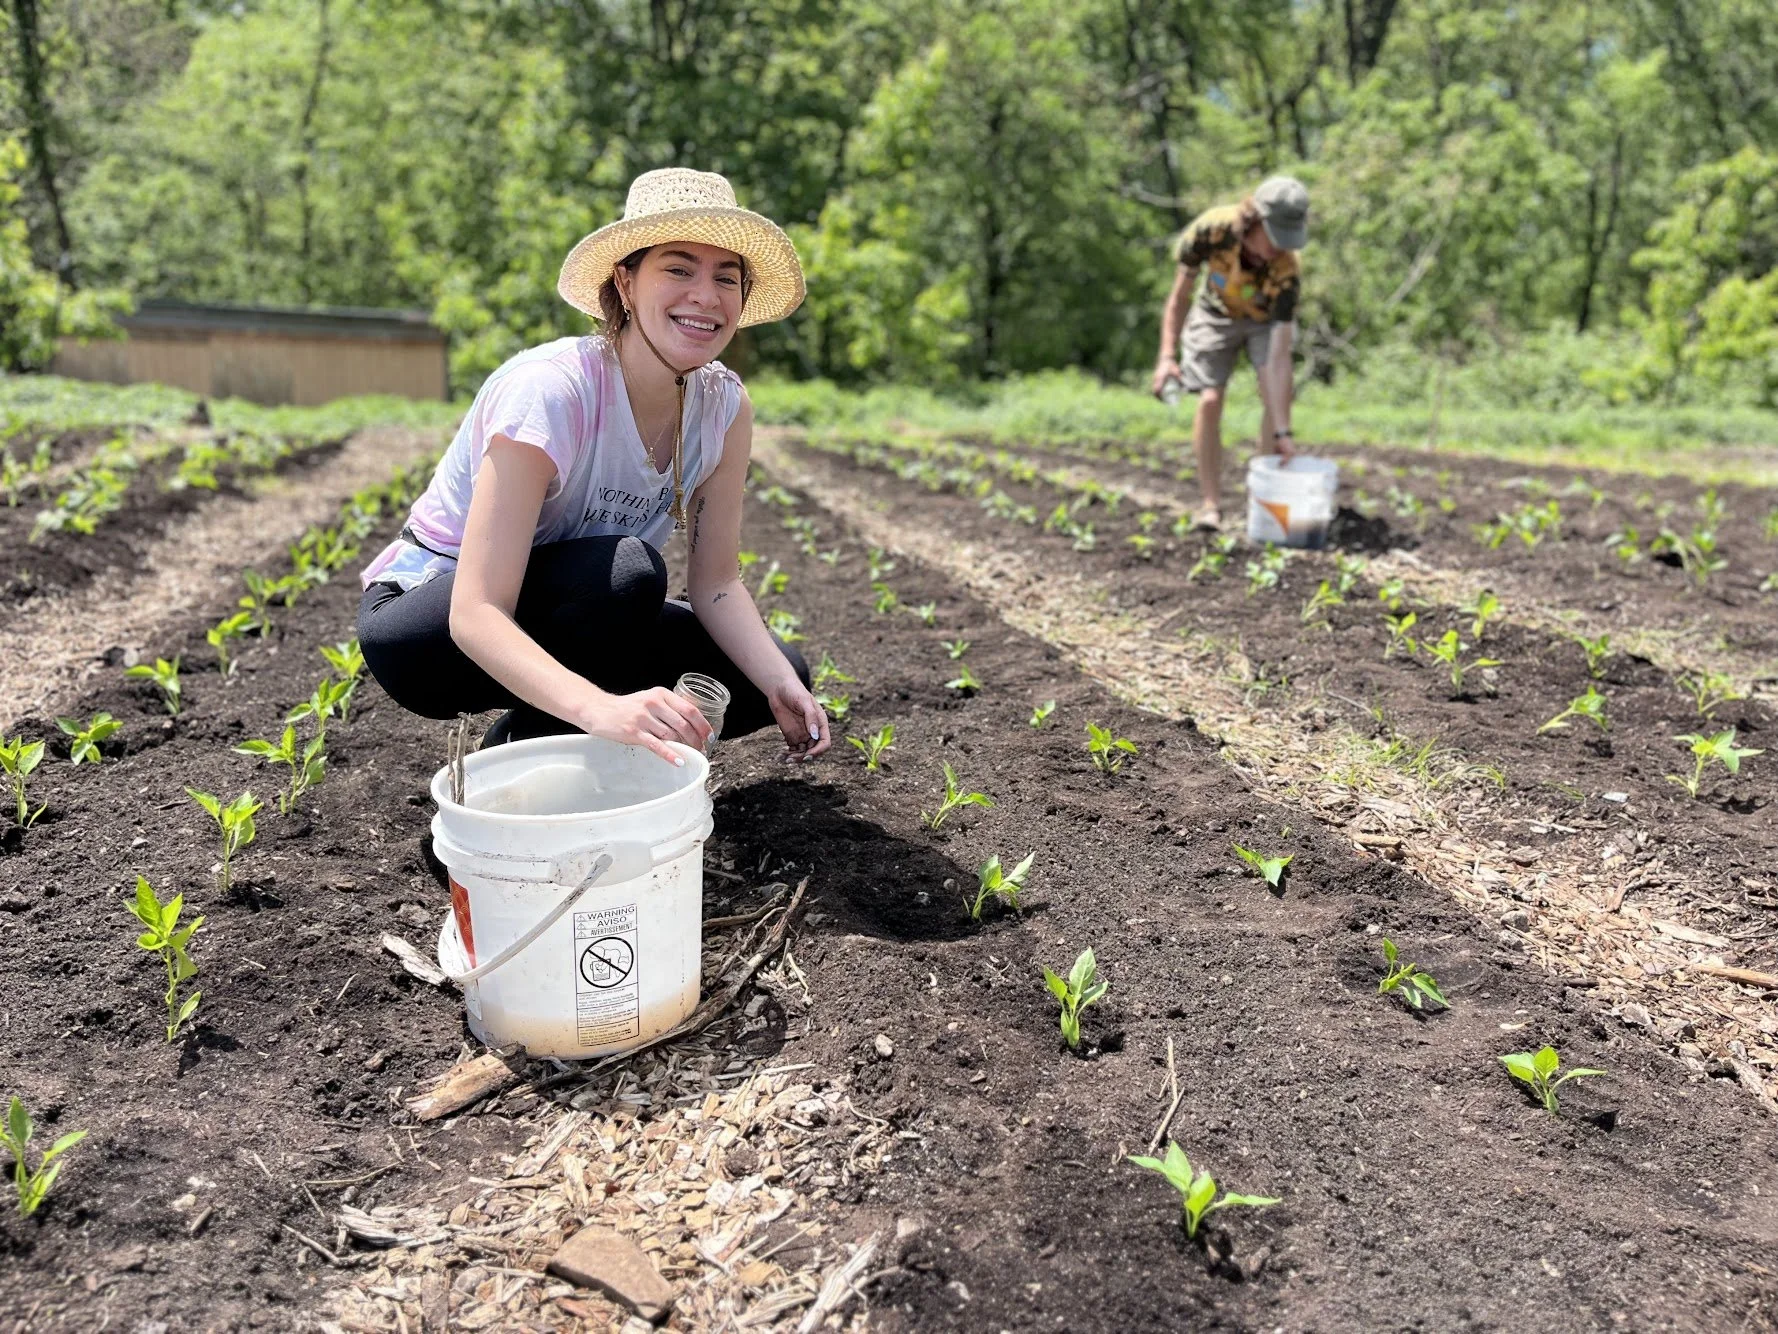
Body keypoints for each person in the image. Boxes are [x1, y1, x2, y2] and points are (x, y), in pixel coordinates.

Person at [356, 168, 830, 767]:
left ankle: (563, 754)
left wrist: (779, 683)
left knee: (771, 676)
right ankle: (511, 779)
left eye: (726, 278)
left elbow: (716, 583)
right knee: (628, 572)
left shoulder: (724, 408)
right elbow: (475, 612)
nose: (706, 296)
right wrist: (599, 708)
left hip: (582, 610)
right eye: (679, 269)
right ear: (626, 282)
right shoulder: (553, 391)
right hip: (429, 627)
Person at [1150, 176, 1309, 530]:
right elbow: (1179, 298)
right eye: (1274, 234)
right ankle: (1210, 505)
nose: (1279, 246)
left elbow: (1280, 355)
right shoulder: (1211, 230)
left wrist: (1284, 431)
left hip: (1263, 320)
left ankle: (1263, 506)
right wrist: (1165, 358)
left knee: (1274, 398)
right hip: (1215, 313)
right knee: (1208, 398)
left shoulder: (1287, 271)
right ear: (1254, 219)